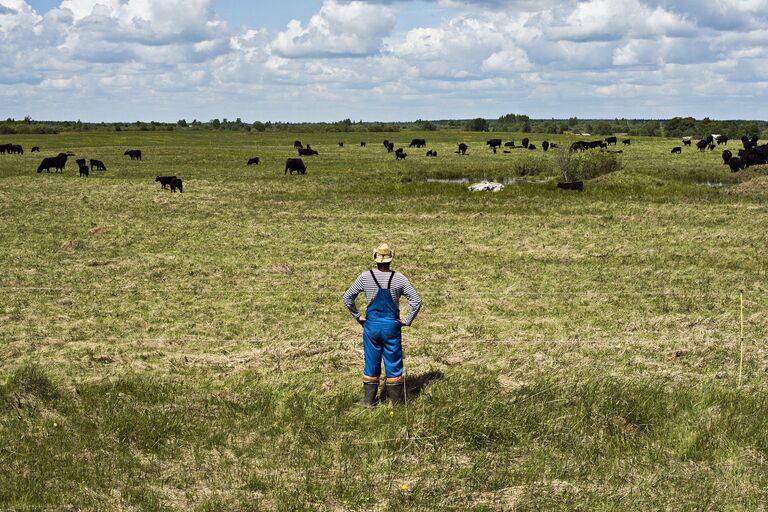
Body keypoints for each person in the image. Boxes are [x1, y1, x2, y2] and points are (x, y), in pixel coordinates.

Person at [343, 243, 421, 407]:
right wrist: (407, 320)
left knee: (371, 363)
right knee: (393, 364)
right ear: (391, 259)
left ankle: (368, 402)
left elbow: (347, 297)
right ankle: (396, 404)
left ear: (375, 258)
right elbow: (416, 301)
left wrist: (358, 317)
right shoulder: (399, 278)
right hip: (391, 328)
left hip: (371, 327)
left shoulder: (365, 277)